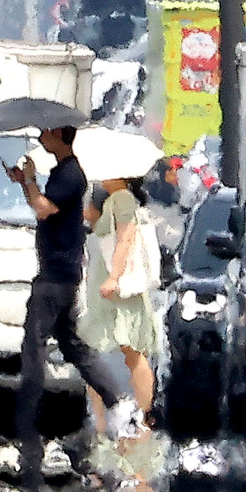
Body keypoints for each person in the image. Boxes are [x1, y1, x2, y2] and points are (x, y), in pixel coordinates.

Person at [8, 121, 130, 477]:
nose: (40, 137)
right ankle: (117, 401)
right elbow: (44, 206)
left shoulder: (70, 173)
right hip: (61, 271)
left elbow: (44, 209)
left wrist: (29, 181)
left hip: (55, 275)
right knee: (72, 344)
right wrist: (24, 182)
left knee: (33, 344)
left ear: (60, 136)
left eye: (46, 132)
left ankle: (27, 421)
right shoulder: (63, 172)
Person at [80, 156, 160, 440]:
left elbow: (126, 239)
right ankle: (106, 418)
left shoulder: (123, 198)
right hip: (105, 285)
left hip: (117, 287)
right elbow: (95, 223)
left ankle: (142, 416)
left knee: (128, 352)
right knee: (100, 351)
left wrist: (114, 277)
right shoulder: (112, 198)